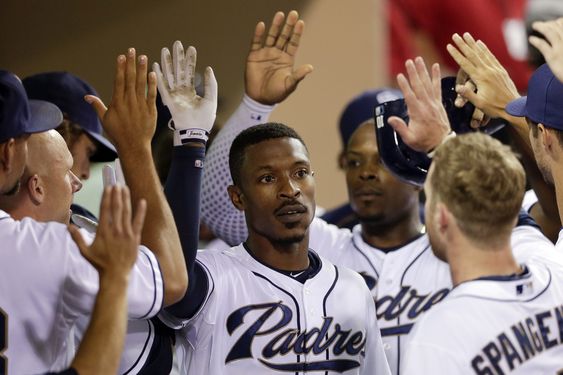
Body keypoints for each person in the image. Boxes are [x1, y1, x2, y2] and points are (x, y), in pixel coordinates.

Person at [200, 11, 559, 375]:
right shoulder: (323, 247)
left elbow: (517, 207)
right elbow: (218, 208)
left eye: (383, 158)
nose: (368, 173)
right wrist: (254, 108)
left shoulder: (463, 241)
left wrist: (480, 128)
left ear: (422, 174)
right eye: (355, 161)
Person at [154, 36, 391, 374]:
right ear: (237, 197)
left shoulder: (352, 288)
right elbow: (174, 275)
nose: (289, 189)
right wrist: (190, 141)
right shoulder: (214, 278)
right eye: (267, 178)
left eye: (301, 173)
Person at [0, 48, 187, 374]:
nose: (80, 179)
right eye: (19, 138)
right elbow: (171, 280)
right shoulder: (47, 248)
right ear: (8, 156)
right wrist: (136, 147)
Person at [402, 132, 563, 374]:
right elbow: (495, 196)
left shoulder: (438, 336)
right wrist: (442, 138)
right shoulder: (553, 267)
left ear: (442, 218)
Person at [45, 185, 147, 375]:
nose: (78, 180)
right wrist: (115, 274)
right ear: (36, 187)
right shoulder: (59, 247)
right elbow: (175, 282)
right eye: (67, 169)